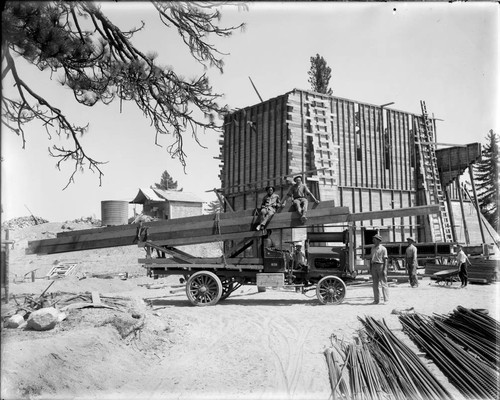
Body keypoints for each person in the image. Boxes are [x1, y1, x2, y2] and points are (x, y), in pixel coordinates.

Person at [369, 234, 389, 304]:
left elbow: (385, 259)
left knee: (383, 283)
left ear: (378, 240)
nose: (373, 240)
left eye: (374, 239)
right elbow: (371, 258)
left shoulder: (383, 249)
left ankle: (386, 300)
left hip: (381, 266)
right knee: (375, 284)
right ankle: (376, 300)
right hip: (374, 266)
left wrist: (384, 269)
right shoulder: (372, 248)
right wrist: (370, 268)